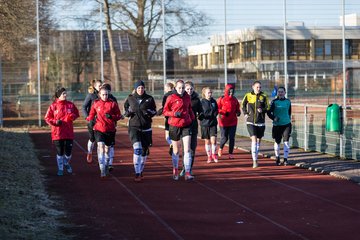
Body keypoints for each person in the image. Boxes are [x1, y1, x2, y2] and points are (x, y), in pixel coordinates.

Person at [86, 86, 123, 178]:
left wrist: (112, 117)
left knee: (107, 150)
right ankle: (102, 169)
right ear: (99, 95)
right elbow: (91, 114)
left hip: (110, 129)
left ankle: (106, 164)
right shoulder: (96, 103)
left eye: (106, 94)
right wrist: (89, 118)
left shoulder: (112, 104)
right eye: (103, 94)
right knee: (100, 147)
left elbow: (118, 115)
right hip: (99, 129)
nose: (105, 96)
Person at [124, 80, 157, 182]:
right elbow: (126, 111)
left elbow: (154, 111)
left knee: (144, 152)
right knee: (137, 149)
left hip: (146, 127)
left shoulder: (149, 99)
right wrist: (128, 113)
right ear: (135, 89)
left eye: (142, 88)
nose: (140, 90)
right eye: (138, 88)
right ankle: (137, 173)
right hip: (134, 127)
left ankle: (141, 170)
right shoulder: (130, 98)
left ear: (144, 88)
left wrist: (150, 113)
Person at [163, 79, 195, 181]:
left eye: (183, 88)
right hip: (174, 125)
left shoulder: (187, 97)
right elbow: (165, 111)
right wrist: (174, 114)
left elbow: (189, 109)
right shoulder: (171, 97)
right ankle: (175, 169)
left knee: (187, 149)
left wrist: (192, 118)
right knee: (176, 151)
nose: (181, 90)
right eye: (179, 88)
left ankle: (187, 172)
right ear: (176, 88)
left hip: (186, 124)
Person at [45, 87, 80, 176]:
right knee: (60, 152)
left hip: (68, 132)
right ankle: (60, 169)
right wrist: (55, 122)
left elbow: (77, 113)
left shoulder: (70, 105)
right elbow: (47, 118)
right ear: (58, 95)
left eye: (65, 93)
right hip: (57, 133)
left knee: (68, 153)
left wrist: (73, 116)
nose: (65, 95)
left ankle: (66, 163)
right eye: (63, 93)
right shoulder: (53, 106)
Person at [241, 80, 270, 168]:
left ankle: (256, 156)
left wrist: (263, 110)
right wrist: (245, 113)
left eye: (260, 87)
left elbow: (268, 107)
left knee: (258, 141)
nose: (258, 88)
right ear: (253, 87)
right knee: (254, 139)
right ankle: (254, 160)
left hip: (260, 122)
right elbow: (243, 104)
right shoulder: (248, 95)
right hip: (250, 121)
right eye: (257, 87)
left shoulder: (264, 96)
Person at [181, 81, 203, 176]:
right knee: (185, 149)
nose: (189, 91)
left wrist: (201, 115)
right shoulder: (181, 99)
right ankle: (184, 168)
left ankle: (189, 168)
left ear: (193, 89)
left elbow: (201, 111)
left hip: (193, 126)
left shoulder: (197, 100)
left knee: (192, 148)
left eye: (191, 89)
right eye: (187, 89)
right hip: (184, 126)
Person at [267, 86, 292, 166]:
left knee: (286, 142)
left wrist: (287, 119)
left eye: (282, 92)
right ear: (277, 93)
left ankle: (285, 159)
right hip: (277, 126)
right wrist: (274, 118)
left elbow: (289, 112)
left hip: (287, 125)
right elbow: (268, 112)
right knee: (277, 142)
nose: (280, 93)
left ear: (285, 93)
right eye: (279, 92)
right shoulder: (274, 102)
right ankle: (277, 158)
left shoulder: (288, 101)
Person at [216, 84, 241, 159]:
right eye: (229, 91)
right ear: (226, 91)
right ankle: (220, 148)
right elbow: (217, 109)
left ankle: (230, 154)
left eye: (232, 91)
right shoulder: (222, 99)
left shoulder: (235, 99)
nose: (231, 93)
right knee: (224, 138)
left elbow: (237, 108)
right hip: (223, 121)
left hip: (233, 121)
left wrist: (238, 112)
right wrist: (223, 112)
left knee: (232, 138)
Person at [82, 79, 102, 164]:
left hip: (101, 121)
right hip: (92, 120)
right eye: (99, 86)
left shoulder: (104, 94)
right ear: (95, 86)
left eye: (102, 85)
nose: (101, 87)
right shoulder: (91, 95)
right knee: (92, 139)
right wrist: (87, 117)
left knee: (100, 140)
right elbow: (84, 107)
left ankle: (100, 158)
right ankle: (89, 152)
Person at [101, 83, 118, 172]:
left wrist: (113, 118)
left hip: (111, 125)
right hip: (100, 127)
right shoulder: (98, 100)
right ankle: (102, 161)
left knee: (110, 146)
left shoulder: (113, 100)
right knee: (101, 145)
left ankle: (110, 163)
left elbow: (117, 113)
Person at [200, 87, 219, 163]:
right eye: (208, 93)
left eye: (211, 92)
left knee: (213, 141)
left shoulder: (214, 101)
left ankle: (214, 154)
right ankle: (209, 156)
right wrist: (202, 116)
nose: (210, 94)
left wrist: (215, 113)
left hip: (213, 123)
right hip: (205, 124)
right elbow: (201, 113)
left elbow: (217, 110)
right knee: (207, 141)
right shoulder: (202, 102)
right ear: (204, 93)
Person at [157, 82, 174, 155]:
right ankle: (174, 144)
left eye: (165, 88)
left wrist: (159, 112)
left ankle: (171, 144)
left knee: (167, 135)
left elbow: (165, 107)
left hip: (168, 117)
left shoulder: (166, 96)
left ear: (168, 88)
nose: (164, 89)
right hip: (176, 118)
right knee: (175, 135)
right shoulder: (176, 95)